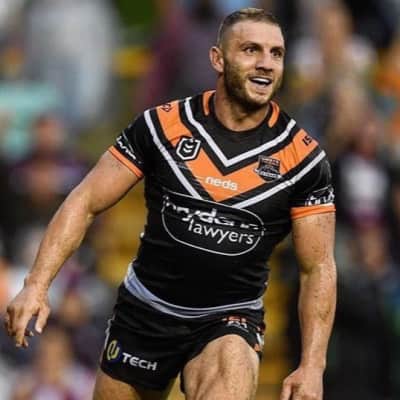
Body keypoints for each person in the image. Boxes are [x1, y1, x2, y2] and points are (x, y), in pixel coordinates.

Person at [4, 8, 337, 400]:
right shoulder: (161, 127)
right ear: (217, 59)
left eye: (276, 53)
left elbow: (318, 267)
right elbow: (86, 200)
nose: (266, 63)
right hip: (146, 310)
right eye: (251, 50)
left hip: (229, 319)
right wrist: (37, 285)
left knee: (230, 367)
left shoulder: (303, 159)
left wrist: (312, 365)